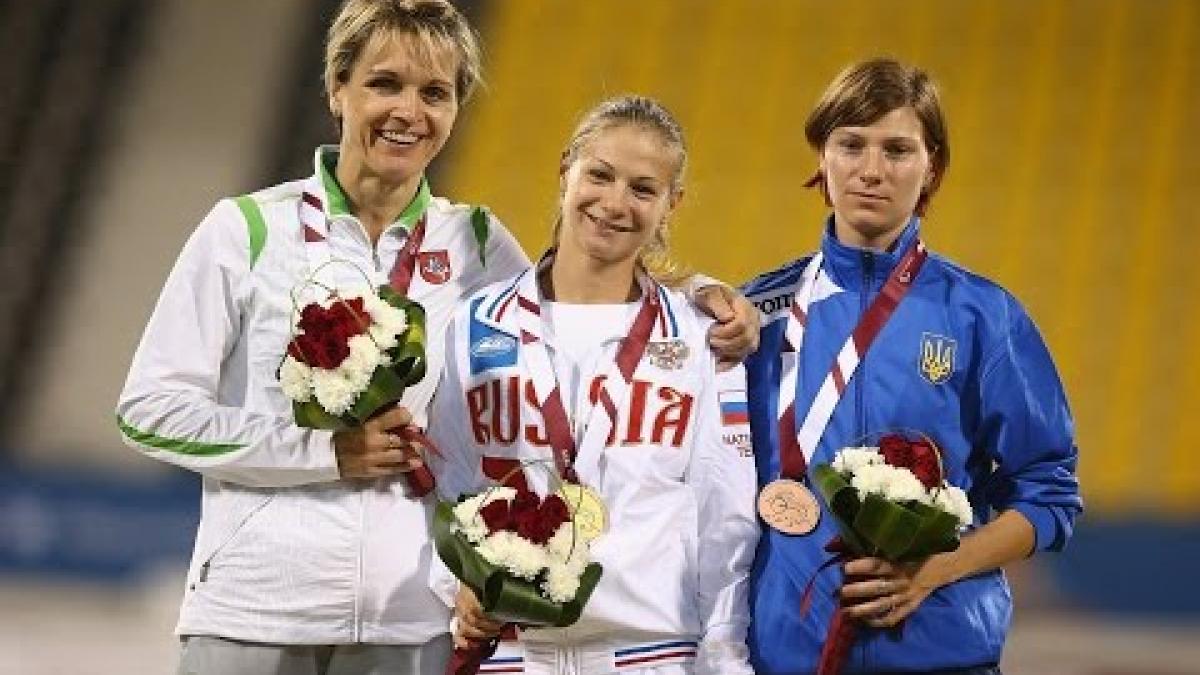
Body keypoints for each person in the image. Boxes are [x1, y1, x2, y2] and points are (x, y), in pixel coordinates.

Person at [115, 2, 758, 673]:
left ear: (455, 111)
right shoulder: (245, 230)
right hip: (253, 607)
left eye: (435, 93)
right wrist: (323, 451)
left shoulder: (474, 241)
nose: (408, 112)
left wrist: (701, 298)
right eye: (384, 83)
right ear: (338, 89)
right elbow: (149, 412)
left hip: (410, 624)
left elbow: (574, 299)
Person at [741, 57, 1082, 674]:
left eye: (897, 149)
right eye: (850, 145)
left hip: (938, 653)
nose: (871, 170)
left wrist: (937, 570)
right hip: (782, 656)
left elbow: (1050, 494)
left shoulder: (983, 315)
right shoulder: (756, 315)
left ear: (932, 168)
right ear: (822, 158)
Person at [429, 95, 760, 675]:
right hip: (511, 655)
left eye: (642, 188)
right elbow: (444, 485)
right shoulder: (478, 322)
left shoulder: (702, 336)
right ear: (566, 171)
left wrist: (725, 655)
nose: (614, 203)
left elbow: (725, 513)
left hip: (650, 654)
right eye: (600, 175)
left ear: (670, 204)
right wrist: (453, 585)